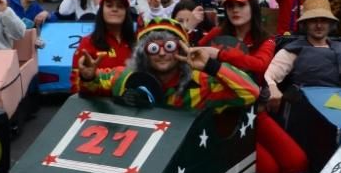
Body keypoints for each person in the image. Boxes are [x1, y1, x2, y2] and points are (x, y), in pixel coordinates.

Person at [197, 0, 308, 173]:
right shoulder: (217, 34)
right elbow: (194, 53)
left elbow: (259, 65)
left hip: (254, 111)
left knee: (297, 162)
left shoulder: (264, 39)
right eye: (230, 6)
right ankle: (228, 161)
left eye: (241, 4)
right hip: (222, 114)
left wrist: (220, 55)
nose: (235, 10)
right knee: (268, 172)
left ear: (253, 6)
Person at [76, 18, 259, 110]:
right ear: (144, 53)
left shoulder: (201, 83)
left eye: (169, 46)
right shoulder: (124, 76)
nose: (162, 53)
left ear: (180, 49)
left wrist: (211, 66)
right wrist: (88, 75)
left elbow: (251, 92)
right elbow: (93, 84)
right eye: (154, 47)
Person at [265, 0, 341, 113]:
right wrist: (273, 88)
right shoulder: (293, 50)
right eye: (313, 20)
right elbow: (269, 76)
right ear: (305, 24)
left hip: (340, 110)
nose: (319, 25)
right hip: (305, 111)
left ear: (330, 23)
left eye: (323, 20)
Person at [69, 0, 136, 91]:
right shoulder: (88, 43)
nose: (115, 9)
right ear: (101, 11)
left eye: (120, 6)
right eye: (109, 5)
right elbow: (75, 87)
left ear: (126, 13)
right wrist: (88, 78)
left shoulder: (137, 43)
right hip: (98, 105)